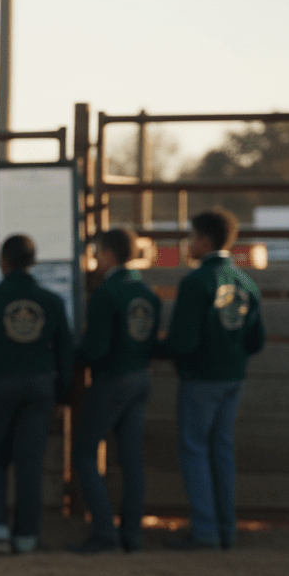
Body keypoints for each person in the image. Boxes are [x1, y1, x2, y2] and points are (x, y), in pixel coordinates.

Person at [0, 234, 73, 554]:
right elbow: (65, 352)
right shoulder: (52, 301)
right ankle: (27, 536)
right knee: (29, 462)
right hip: (39, 386)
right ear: (33, 261)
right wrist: (63, 397)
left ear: (4, 261)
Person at [162, 208, 265, 551]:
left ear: (204, 240)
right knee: (222, 450)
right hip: (232, 377)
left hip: (200, 378)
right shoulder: (245, 281)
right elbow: (256, 340)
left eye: (191, 237)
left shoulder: (196, 282)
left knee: (194, 450)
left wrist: (158, 349)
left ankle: (204, 531)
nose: (189, 243)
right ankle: (226, 528)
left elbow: (183, 341)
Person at [68, 229, 161, 553]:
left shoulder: (107, 294)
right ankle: (132, 533)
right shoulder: (146, 294)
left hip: (112, 380)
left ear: (107, 254)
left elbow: (95, 349)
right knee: (131, 460)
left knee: (84, 452)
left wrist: (71, 352)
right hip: (140, 377)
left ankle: (105, 532)